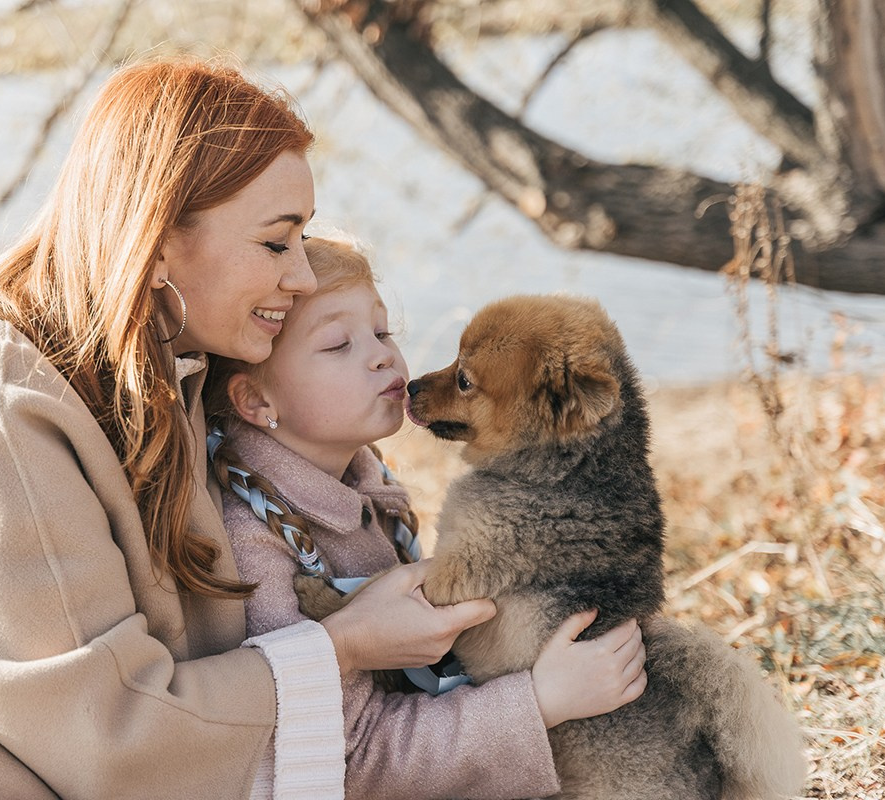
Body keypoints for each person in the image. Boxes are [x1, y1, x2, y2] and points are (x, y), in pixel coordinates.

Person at [0, 58, 500, 799]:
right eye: (276, 243)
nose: (304, 278)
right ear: (157, 245)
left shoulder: (166, 370)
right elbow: (108, 738)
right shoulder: (1, 408)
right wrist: (342, 645)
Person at [205, 236, 649, 799]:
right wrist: (540, 702)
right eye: (339, 343)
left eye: (384, 331)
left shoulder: (367, 491)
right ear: (257, 402)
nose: (384, 356)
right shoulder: (256, 549)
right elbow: (351, 761)